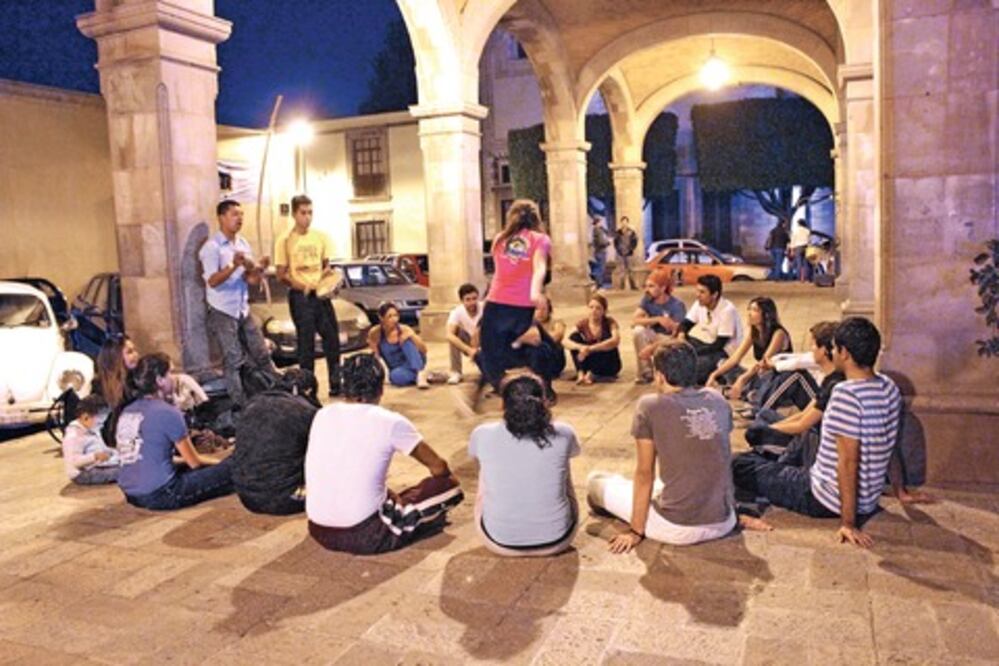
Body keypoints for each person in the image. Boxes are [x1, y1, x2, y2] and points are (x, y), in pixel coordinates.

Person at [731, 317, 905, 548]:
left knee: (738, 464)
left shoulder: (846, 394)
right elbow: (891, 443)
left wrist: (848, 523)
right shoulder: (888, 386)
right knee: (763, 460)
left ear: (844, 353)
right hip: (864, 500)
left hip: (820, 496)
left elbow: (848, 462)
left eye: (835, 348)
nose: (832, 352)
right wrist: (900, 490)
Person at [305, 354, 464, 555]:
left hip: (318, 530)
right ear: (381, 389)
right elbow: (439, 467)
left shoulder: (322, 414)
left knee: (386, 492)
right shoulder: (390, 421)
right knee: (449, 486)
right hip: (365, 534)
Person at [587, 340, 738, 550]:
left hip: (676, 527)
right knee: (667, 481)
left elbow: (644, 473)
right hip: (724, 521)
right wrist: (732, 510)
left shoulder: (650, 405)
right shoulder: (717, 399)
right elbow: (720, 456)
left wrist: (636, 530)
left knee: (595, 481)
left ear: (660, 376)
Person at [470, 373, 580, 556]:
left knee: (486, 470)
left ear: (502, 405)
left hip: (498, 542)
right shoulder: (564, 432)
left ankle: (510, 520)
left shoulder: (481, 434)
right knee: (561, 464)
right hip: (559, 540)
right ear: (544, 402)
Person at [115, 354, 234, 511]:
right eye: (170, 373)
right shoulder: (167, 412)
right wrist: (220, 464)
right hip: (163, 493)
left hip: (132, 493)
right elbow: (195, 462)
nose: (175, 378)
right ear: (160, 380)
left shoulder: (128, 410)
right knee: (233, 466)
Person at [463, 199, 550, 412]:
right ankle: (528, 395)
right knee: (524, 349)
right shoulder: (541, 239)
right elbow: (539, 267)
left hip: (495, 304)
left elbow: (502, 273)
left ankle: (505, 392)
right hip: (521, 306)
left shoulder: (499, 239)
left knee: (491, 355)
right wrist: (535, 291)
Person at [199, 199, 280, 408]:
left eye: (241, 214)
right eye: (235, 214)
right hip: (222, 310)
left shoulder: (242, 244)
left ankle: (278, 392)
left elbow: (249, 279)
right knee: (233, 358)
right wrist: (233, 265)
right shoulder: (212, 248)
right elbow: (212, 281)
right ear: (221, 218)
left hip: (242, 308)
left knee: (261, 352)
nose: (240, 218)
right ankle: (239, 404)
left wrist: (259, 269)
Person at [274, 194, 342, 397]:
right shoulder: (285, 240)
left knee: (332, 338)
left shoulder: (320, 236)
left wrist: (329, 280)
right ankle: (308, 389)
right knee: (306, 344)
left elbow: (326, 265)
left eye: (310, 212)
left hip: (320, 295)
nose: (307, 217)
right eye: (303, 213)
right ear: (294, 214)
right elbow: (281, 274)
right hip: (300, 296)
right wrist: (301, 285)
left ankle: (336, 383)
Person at [744, 321, 842, 453]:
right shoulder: (828, 380)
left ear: (824, 350)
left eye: (813, 345)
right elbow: (803, 414)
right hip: (806, 429)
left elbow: (803, 424)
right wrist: (771, 428)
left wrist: (769, 430)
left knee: (795, 375)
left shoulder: (835, 384)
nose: (811, 348)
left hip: (810, 440)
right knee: (764, 415)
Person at [231, 369, 320, 515]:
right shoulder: (306, 411)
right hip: (285, 499)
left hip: (245, 497)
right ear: (309, 390)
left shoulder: (252, 403)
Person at [706, 297, 813, 413]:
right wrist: (713, 374)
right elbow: (735, 358)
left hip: (775, 378)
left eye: (755, 310)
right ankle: (744, 391)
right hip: (759, 375)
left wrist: (742, 379)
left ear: (766, 314)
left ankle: (745, 392)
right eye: (749, 309)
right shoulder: (754, 332)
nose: (749, 313)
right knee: (722, 363)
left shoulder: (779, 334)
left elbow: (763, 363)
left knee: (759, 376)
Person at [678, 275, 744, 385]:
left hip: (724, 352)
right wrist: (681, 335)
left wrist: (692, 353)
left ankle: (721, 373)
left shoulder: (727, 310)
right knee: (678, 346)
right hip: (708, 345)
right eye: (697, 291)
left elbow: (719, 344)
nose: (697, 295)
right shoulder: (700, 303)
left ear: (714, 295)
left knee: (691, 369)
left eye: (702, 292)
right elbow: (685, 324)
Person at [632, 269, 686, 384]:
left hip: (668, 338)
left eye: (651, 286)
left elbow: (678, 334)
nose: (647, 289)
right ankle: (646, 373)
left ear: (662, 288)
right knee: (638, 331)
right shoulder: (647, 300)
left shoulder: (677, 305)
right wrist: (658, 319)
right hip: (654, 334)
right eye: (646, 286)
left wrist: (653, 346)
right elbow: (635, 321)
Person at [510, 298, 566, 403]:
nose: (540, 312)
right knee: (535, 350)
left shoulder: (554, 322)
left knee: (541, 348)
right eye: (537, 309)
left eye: (543, 309)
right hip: (535, 355)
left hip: (553, 357)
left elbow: (557, 336)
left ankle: (544, 389)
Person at [368, 303, 430, 388]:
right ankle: (423, 376)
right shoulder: (375, 333)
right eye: (389, 316)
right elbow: (376, 356)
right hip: (398, 368)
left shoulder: (404, 329)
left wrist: (412, 336)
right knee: (395, 377)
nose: (394, 319)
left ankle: (420, 372)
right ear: (381, 318)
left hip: (414, 361)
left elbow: (424, 350)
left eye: (395, 315)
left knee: (406, 339)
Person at [564, 293, 622, 384]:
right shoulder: (583, 323)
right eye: (591, 307)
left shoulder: (609, 322)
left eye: (598, 308)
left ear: (604, 311)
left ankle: (592, 374)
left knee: (606, 342)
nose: (594, 311)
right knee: (574, 337)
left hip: (608, 363)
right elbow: (565, 340)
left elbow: (615, 340)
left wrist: (591, 348)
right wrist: (580, 347)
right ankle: (581, 373)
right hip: (590, 360)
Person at [62, 395, 120, 485]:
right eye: (99, 423)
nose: (102, 425)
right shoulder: (73, 436)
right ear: (85, 417)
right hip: (82, 473)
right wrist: (94, 457)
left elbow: (101, 447)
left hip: (95, 465)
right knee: (121, 471)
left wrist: (113, 452)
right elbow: (74, 461)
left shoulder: (92, 428)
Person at [446, 283, 482, 384]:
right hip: (468, 342)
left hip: (484, 341)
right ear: (462, 301)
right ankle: (456, 372)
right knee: (454, 335)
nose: (472, 302)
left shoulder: (484, 308)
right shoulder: (456, 312)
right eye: (468, 299)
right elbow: (449, 335)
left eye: (474, 298)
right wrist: (468, 350)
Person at [613, 216, 639, 290]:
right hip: (620, 253)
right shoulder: (618, 232)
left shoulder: (631, 232)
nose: (624, 223)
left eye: (625, 222)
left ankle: (633, 285)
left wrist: (631, 248)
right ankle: (621, 286)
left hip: (629, 253)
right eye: (623, 222)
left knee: (631, 269)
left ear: (627, 222)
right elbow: (615, 242)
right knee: (622, 270)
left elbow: (635, 241)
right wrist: (618, 250)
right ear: (621, 223)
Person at [589, 216, 611, 288]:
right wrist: (608, 242)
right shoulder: (598, 231)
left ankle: (598, 283)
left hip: (598, 251)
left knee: (599, 267)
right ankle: (599, 284)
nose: (601, 224)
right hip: (601, 251)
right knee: (601, 268)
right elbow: (601, 242)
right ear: (598, 223)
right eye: (600, 222)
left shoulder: (595, 230)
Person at [789, 217, 811, 282]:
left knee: (799, 263)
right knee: (805, 263)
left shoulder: (796, 231)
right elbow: (809, 240)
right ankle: (805, 277)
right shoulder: (807, 231)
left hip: (798, 247)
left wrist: (792, 250)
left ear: (798, 224)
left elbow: (793, 240)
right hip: (806, 247)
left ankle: (799, 278)